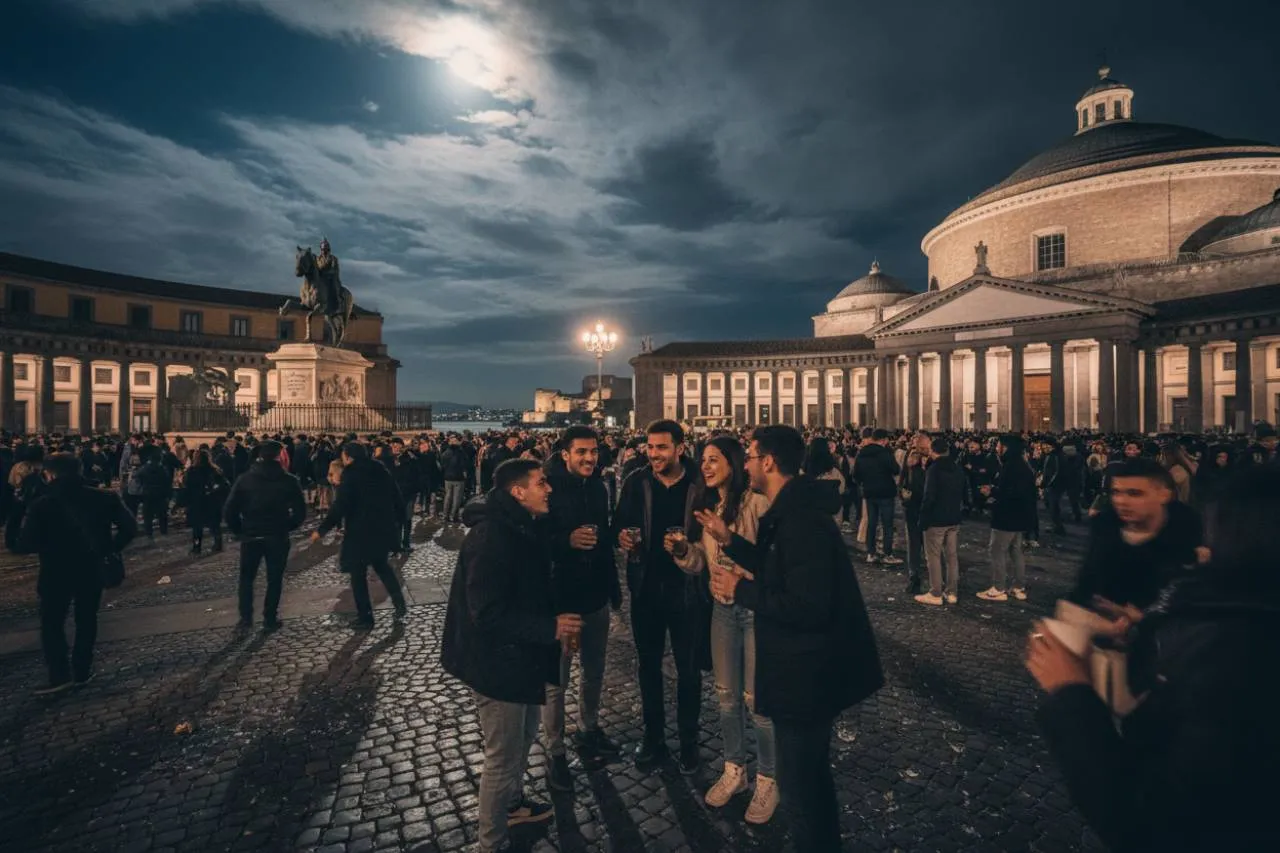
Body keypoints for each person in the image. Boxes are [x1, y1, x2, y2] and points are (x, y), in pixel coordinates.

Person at [1026, 465, 1280, 852]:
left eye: (1216, 537)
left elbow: (1149, 820)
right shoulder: (1109, 530)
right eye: (1116, 492)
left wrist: (1069, 691)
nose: (1206, 551)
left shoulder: (1235, 651)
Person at [703, 425, 883, 853]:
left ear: (767, 461)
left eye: (749, 455)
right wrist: (732, 543)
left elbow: (806, 605)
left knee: (803, 791)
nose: (745, 463)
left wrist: (738, 589)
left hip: (806, 676)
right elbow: (776, 567)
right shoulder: (793, 510)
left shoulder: (798, 519)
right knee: (809, 782)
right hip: (806, 671)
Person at [440, 458, 582, 853]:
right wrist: (550, 628)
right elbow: (485, 612)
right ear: (518, 492)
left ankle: (515, 805)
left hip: (521, 658)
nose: (548, 488)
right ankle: (491, 842)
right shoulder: (493, 537)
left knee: (524, 737)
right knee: (502, 757)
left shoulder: (522, 525)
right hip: (497, 664)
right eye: (540, 483)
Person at [670, 436, 778, 824]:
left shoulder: (757, 503)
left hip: (752, 613)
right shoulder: (706, 506)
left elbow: (768, 562)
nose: (706, 466)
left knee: (758, 702)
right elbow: (701, 563)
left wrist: (730, 551)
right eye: (703, 460)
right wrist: (684, 552)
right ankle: (736, 770)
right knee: (726, 697)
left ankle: (768, 778)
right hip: (720, 611)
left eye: (714, 459)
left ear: (734, 463)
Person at [615, 419, 707, 774]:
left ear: (680, 448)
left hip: (687, 590)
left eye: (662, 447)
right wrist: (621, 538)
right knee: (648, 667)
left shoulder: (699, 484)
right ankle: (653, 739)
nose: (653, 454)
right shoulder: (637, 482)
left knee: (689, 671)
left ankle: (689, 743)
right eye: (650, 448)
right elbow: (619, 524)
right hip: (647, 588)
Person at [540, 426, 622, 793]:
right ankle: (554, 751)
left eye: (593, 452)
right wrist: (566, 541)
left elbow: (603, 539)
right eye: (582, 452)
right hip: (560, 602)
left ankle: (589, 728)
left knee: (594, 671)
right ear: (565, 455)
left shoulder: (600, 487)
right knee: (556, 680)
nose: (590, 458)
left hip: (595, 596)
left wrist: (613, 588)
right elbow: (533, 542)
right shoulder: (548, 488)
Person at [16, 452, 136, 695]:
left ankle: (59, 675)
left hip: (54, 570)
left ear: (49, 474)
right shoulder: (104, 497)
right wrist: (111, 547)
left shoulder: (42, 503)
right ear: (81, 470)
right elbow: (129, 527)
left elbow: (24, 544)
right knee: (86, 620)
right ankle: (82, 670)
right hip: (91, 568)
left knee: (52, 624)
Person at [1070, 457, 1201, 611]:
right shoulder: (1105, 525)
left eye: (1135, 493)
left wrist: (1142, 617)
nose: (1121, 501)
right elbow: (1086, 583)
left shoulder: (1187, 527)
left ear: (1164, 495)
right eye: (1116, 492)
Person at [313, 442, 408, 629]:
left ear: (348, 457)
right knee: (383, 568)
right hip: (381, 529)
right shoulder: (380, 470)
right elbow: (396, 496)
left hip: (359, 532)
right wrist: (400, 521)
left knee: (358, 575)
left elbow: (341, 505)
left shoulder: (350, 474)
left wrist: (323, 529)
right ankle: (400, 604)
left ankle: (365, 617)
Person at [223, 440, 307, 632]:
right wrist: (286, 526)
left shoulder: (245, 479)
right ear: (279, 457)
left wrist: (240, 530)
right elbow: (300, 513)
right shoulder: (289, 480)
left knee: (246, 579)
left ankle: (245, 618)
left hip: (251, 535)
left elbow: (229, 511)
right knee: (274, 579)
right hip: (277, 536)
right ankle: (270, 617)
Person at [977, 435, 1037, 601]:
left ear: (1006, 447)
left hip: (1006, 516)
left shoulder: (1010, 466)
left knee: (997, 550)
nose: (997, 448)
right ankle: (1018, 586)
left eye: (999, 445)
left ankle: (998, 587)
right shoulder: (1023, 465)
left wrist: (991, 491)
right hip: (1020, 516)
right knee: (1016, 551)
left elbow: (1009, 492)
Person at [916, 437, 965, 607]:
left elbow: (929, 496)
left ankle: (935, 592)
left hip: (936, 519)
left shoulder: (934, 469)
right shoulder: (957, 468)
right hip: (953, 518)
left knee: (934, 557)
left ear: (933, 451)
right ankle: (952, 592)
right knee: (952, 557)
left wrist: (922, 519)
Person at [852, 428, 901, 565]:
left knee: (871, 524)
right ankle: (887, 553)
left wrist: (864, 482)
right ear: (884, 440)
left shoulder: (862, 453)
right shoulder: (885, 453)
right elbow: (896, 469)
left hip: (869, 492)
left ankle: (871, 553)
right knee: (887, 525)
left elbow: (855, 475)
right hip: (885, 492)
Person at [182, 449, 228, 555]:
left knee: (197, 527)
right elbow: (225, 485)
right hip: (212, 501)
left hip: (197, 501)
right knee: (215, 525)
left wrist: (183, 502)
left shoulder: (192, 471)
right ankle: (218, 544)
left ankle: (197, 547)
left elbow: (187, 487)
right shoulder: (215, 470)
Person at [385, 437, 422, 553]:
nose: (395, 448)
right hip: (394, 495)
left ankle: (405, 543)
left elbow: (416, 474)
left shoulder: (410, 459)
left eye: (397, 446)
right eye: (393, 446)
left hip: (408, 494)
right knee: (396, 521)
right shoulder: (388, 460)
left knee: (407, 520)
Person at [898, 447, 927, 595]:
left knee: (915, 546)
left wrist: (904, 497)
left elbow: (901, 487)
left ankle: (914, 576)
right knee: (924, 546)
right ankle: (918, 576)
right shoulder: (917, 470)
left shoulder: (913, 470)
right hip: (918, 511)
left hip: (914, 510)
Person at [439, 435, 470, 524]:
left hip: (447, 478)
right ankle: (453, 516)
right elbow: (465, 463)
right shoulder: (461, 452)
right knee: (457, 498)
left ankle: (445, 516)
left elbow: (442, 465)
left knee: (447, 497)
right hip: (458, 477)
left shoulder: (445, 453)